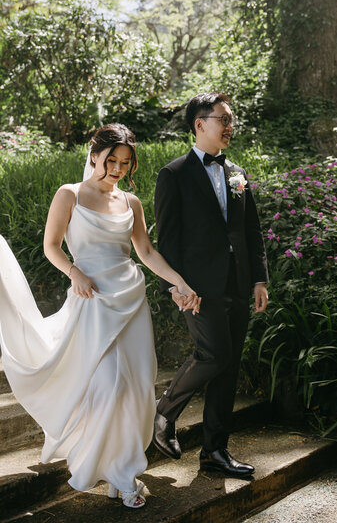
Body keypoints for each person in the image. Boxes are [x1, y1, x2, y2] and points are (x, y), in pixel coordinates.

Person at [0, 123, 200, 509]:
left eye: (125, 163)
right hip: (92, 301)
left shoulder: (131, 203)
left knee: (139, 387)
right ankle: (120, 474)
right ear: (94, 155)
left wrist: (180, 282)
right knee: (109, 386)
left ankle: (121, 473)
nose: (118, 168)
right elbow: (51, 246)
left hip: (131, 299)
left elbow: (146, 252)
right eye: (112, 160)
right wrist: (75, 273)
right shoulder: (70, 195)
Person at [153, 92, 268, 477]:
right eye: (224, 118)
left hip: (237, 284)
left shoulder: (237, 173)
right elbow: (168, 240)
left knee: (229, 366)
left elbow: (250, 229)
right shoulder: (173, 174)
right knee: (213, 355)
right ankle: (165, 411)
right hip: (198, 289)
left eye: (232, 118)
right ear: (200, 123)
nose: (230, 125)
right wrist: (178, 286)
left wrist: (258, 278)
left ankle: (215, 451)